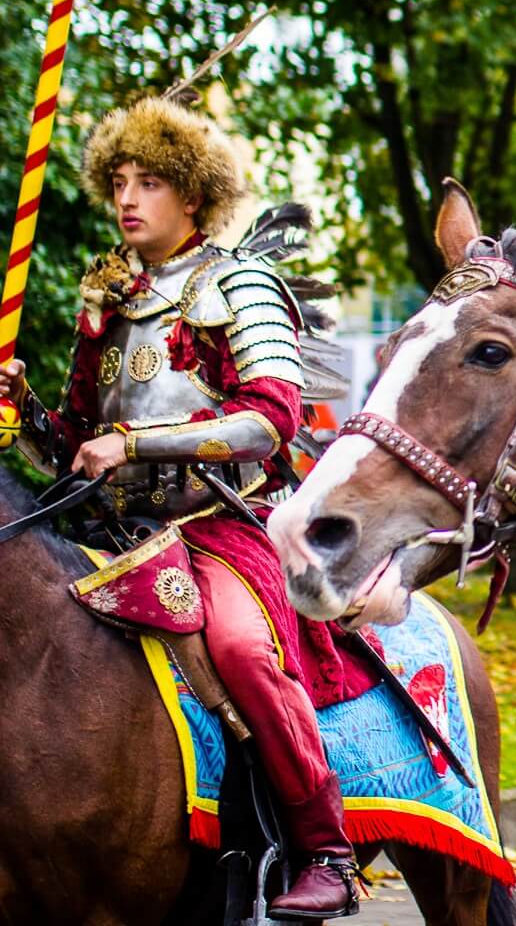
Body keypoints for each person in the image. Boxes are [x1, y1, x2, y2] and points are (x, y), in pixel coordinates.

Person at [0, 97, 358, 919]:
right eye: (119, 182)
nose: (128, 199)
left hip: (220, 528)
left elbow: (271, 421)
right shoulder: (110, 301)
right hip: (116, 535)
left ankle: (325, 848)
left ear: (192, 195)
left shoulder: (238, 284)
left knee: (238, 648)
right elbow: (77, 446)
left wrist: (134, 442)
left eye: (149, 183)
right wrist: (29, 417)